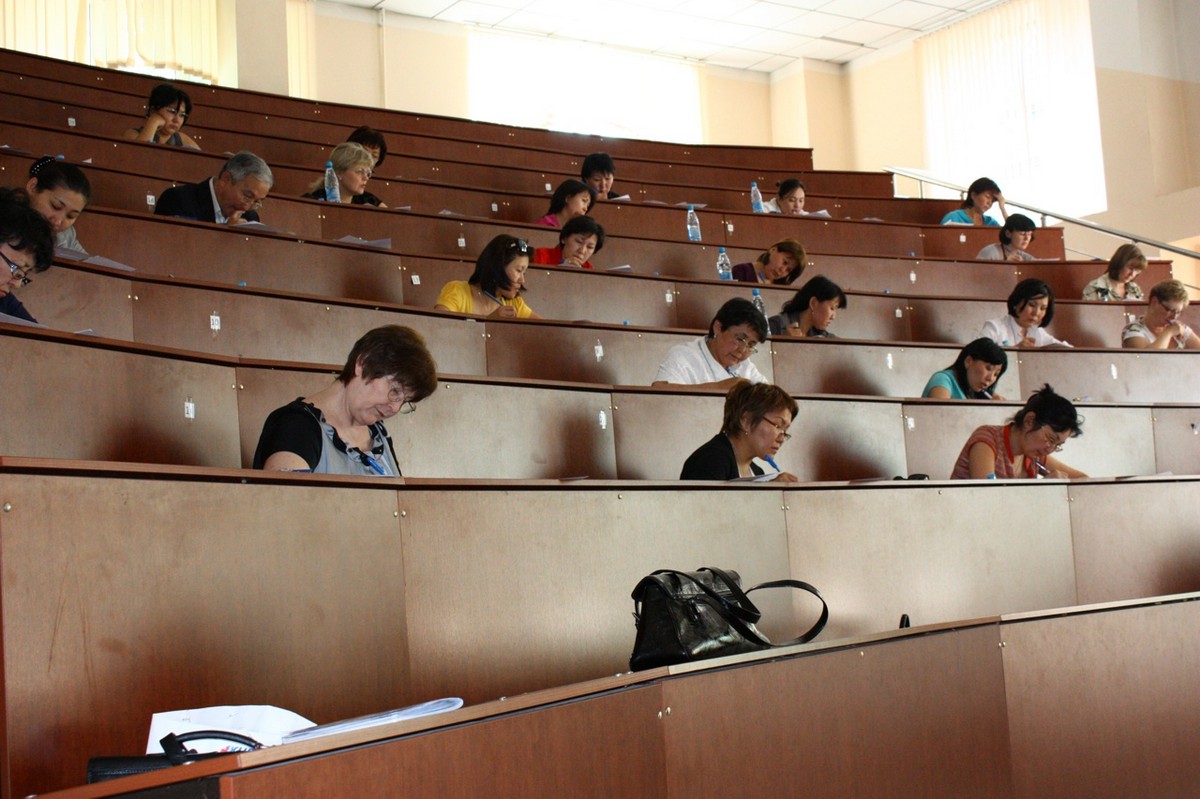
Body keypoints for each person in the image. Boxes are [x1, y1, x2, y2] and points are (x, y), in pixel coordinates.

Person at [253, 325, 438, 475]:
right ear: (363, 364)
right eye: (395, 390)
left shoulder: (378, 434)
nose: (395, 408)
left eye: (404, 401)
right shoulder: (296, 426)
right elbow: (285, 504)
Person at [950, 384, 1086, 479]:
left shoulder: (1034, 455)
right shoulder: (987, 440)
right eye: (1051, 439)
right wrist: (1043, 488)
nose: (1050, 449)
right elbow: (988, 497)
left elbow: (1082, 479)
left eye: (1057, 445)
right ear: (1029, 421)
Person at [680, 380, 800, 482]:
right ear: (746, 421)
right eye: (778, 425)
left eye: (785, 430)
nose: (781, 438)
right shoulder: (710, 461)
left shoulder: (757, 471)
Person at [653, 298, 768, 389]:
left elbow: (771, 400)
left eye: (751, 345)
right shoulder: (684, 356)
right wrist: (719, 387)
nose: (742, 350)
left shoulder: (745, 366)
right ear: (718, 327)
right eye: (740, 339)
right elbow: (659, 390)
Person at [435, 234, 541, 319]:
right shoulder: (457, 291)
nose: (522, 280)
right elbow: (439, 330)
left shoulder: (515, 304)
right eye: (518, 270)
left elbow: (544, 331)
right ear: (497, 267)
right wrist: (489, 322)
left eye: (524, 273)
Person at [154, 151, 272, 225]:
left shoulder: (250, 218)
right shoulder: (178, 199)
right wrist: (224, 235)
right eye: (247, 196)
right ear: (226, 179)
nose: (247, 207)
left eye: (256, 202)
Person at [0, 187, 55, 323]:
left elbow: (35, 335)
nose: (17, 284)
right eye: (16, 269)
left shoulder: (4, 300)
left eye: (22, 275)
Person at [26, 156, 91, 254]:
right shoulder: (5, 221)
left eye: (71, 216)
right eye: (55, 206)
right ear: (33, 187)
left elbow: (85, 261)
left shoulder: (66, 235)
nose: (58, 221)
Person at [980, 278, 1070, 348]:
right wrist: (1016, 350)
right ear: (1016, 302)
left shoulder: (1038, 332)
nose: (1036, 313)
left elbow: (1066, 349)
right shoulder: (994, 328)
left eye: (1043, 308)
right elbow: (979, 356)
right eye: (1032, 305)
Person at [1121, 279, 1200, 350]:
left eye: (1178, 312)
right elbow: (1150, 358)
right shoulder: (1133, 330)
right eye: (1170, 310)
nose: (1174, 317)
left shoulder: (1179, 328)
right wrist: (1168, 332)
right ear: (1154, 302)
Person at [301, 142, 385, 207]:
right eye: (360, 171)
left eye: (368, 173)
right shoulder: (312, 201)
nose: (366, 178)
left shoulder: (368, 202)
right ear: (339, 172)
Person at [922, 338, 1008, 400]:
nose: (990, 378)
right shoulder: (942, 379)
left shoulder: (981, 393)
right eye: (988, 368)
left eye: (996, 374)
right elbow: (943, 415)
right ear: (968, 361)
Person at [122, 83, 201, 150]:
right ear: (153, 110)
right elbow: (138, 156)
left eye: (182, 115)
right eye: (172, 111)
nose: (177, 120)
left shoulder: (183, 140)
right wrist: (153, 122)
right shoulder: (133, 134)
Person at [767, 275, 846, 337]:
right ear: (813, 303)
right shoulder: (775, 325)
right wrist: (783, 342)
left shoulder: (821, 336)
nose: (833, 317)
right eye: (832, 308)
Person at [532, 216, 605, 269]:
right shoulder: (540, 255)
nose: (582, 251)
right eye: (579, 241)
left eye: (590, 247)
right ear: (564, 238)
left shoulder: (588, 268)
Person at [1083, 243, 1147, 301]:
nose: (1132, 274)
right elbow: (1087, 310)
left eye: (1137, 270)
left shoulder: (1134, 288)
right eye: (1130, 268)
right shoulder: (1095, 287)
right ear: (1119, 263)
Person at [731, 238, 806, 285]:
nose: (782, 270)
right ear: (773, 250)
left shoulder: (782, 288)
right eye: (785, 262)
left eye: (788, 270)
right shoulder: (741, 271)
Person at [941, 177, 1007, 226]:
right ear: (973, 195)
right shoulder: (954, 217)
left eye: (993, 201)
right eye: (987, 196)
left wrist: (1002, 208)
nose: (989, 203)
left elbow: (1010, 234)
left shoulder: (991, 222)